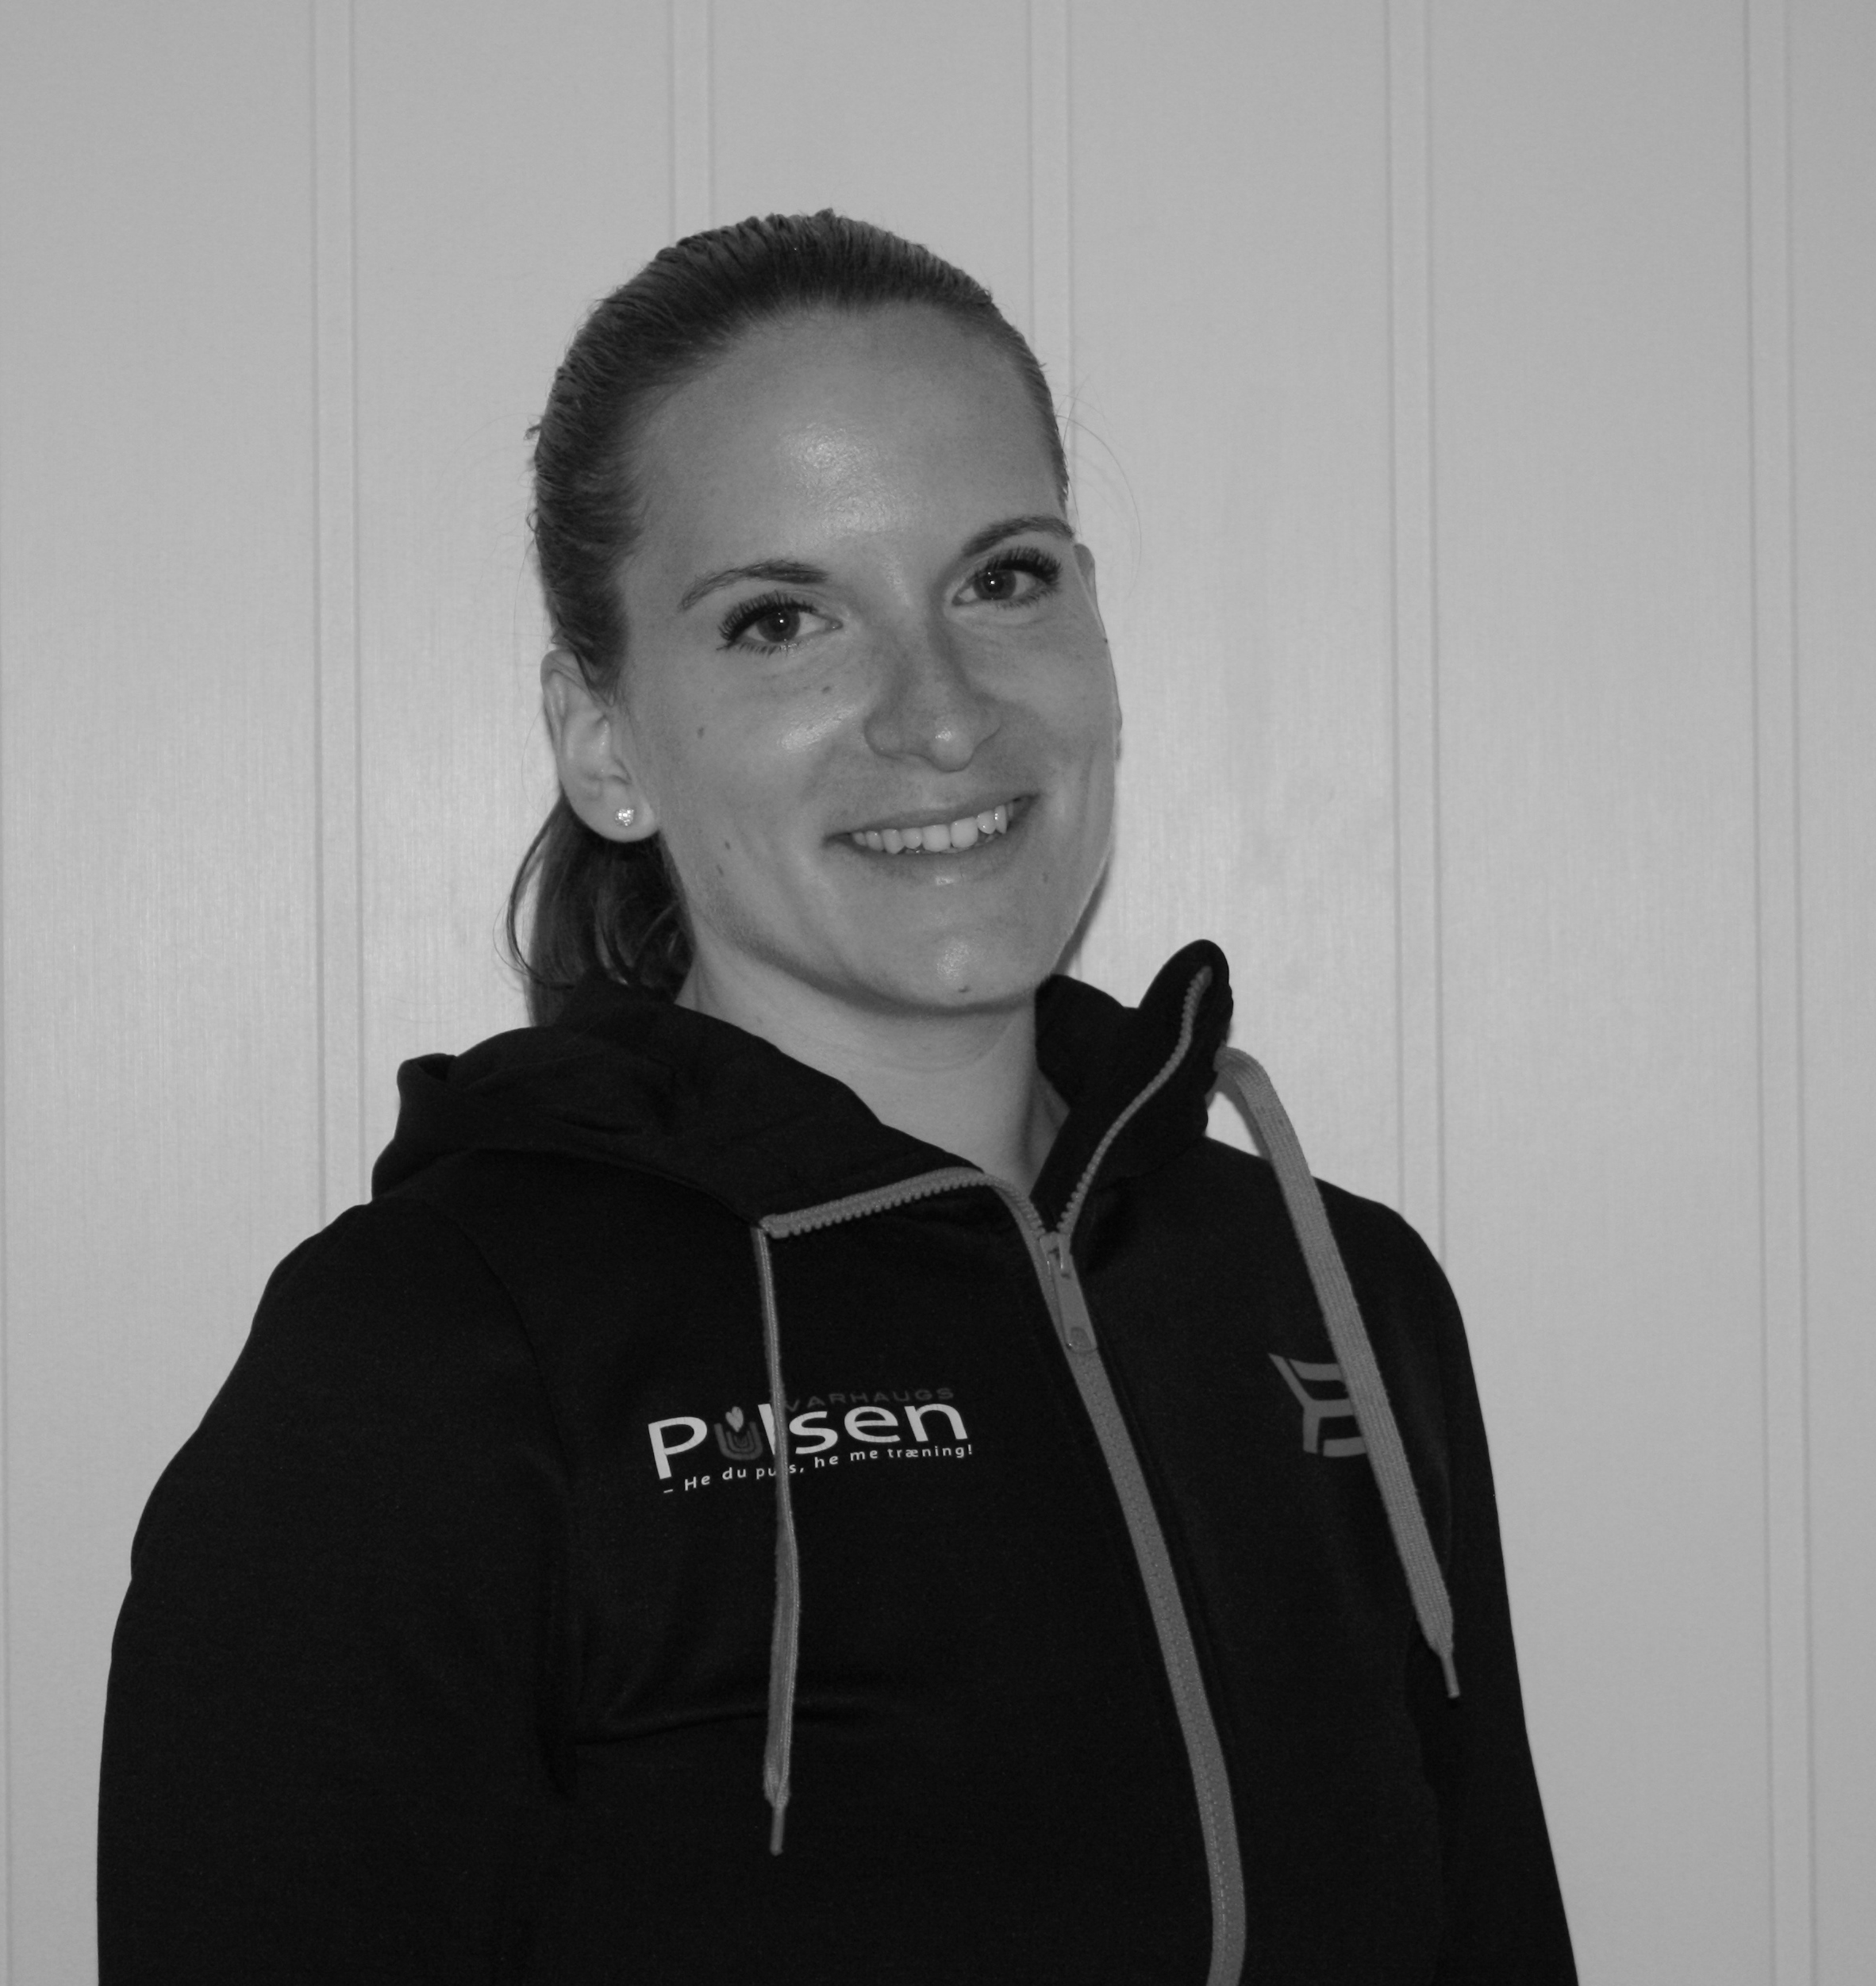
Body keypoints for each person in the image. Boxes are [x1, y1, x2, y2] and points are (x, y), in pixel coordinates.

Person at [98, 211, 1575, 1984]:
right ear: (605, 742)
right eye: (783, 619)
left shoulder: (1340, 1293)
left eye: (1003, 579)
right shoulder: (429, 1356)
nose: (939, 715)